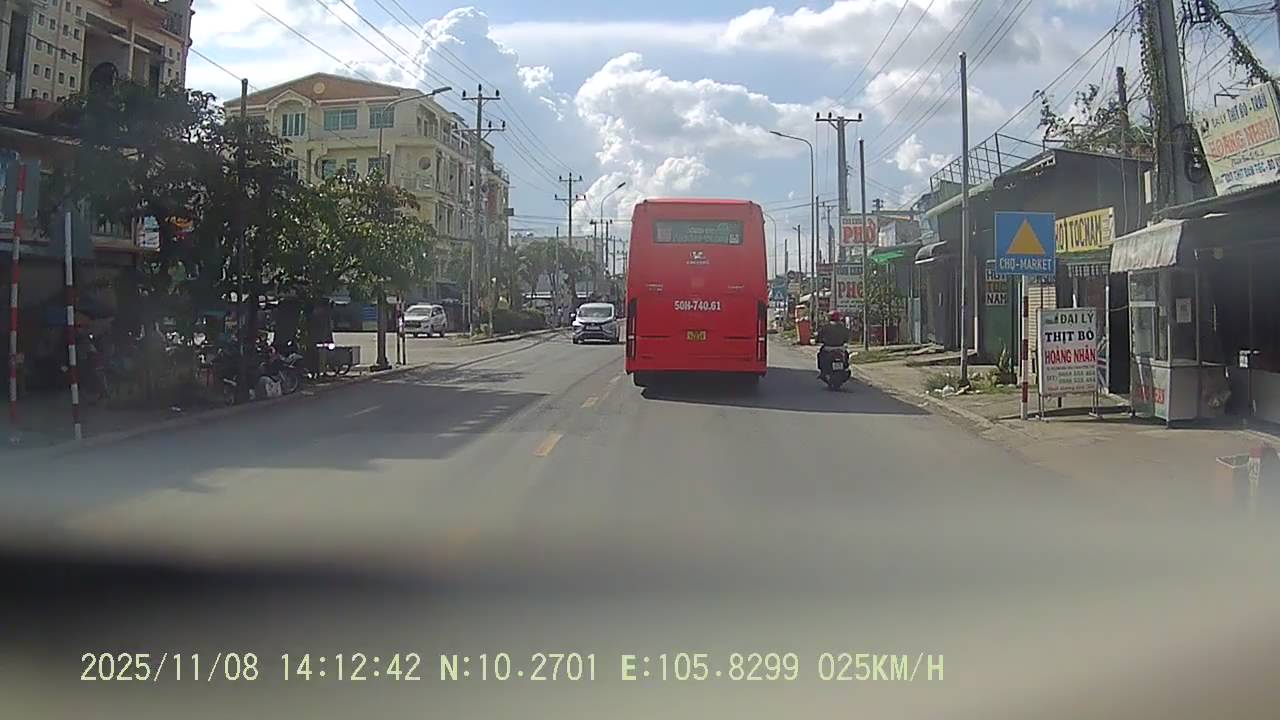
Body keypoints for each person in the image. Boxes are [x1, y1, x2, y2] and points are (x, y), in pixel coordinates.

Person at [817, 310, 850, 376]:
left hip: (828, 347)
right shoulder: (843, 327)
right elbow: (847, 338)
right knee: (846, 354)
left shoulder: (826, 326)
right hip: (840, 347)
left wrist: (818, 340)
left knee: (820, 354)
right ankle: (846, 367)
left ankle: (823, 370)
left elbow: (820, 336)